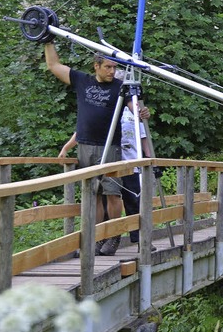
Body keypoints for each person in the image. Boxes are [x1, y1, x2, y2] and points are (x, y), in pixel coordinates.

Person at [45, 42, 149, 256]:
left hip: (109, 146)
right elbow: (53, 65)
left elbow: (134, 107)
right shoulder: (82, 81)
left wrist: (141, 111)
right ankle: (97, 237)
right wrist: (48, 40)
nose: (112, 71)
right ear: (96, 66)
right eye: (108, 67)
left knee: (112, 193)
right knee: (93, 194)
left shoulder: (120, 86)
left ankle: (113, 236)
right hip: (85, 146)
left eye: (114, 68)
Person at [59, 106, 153, 248]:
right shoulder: (104, 108)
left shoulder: (133, 109)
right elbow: (85, 131)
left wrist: (149, 157)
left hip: (131, 162)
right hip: (109, 161)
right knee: (106, 200)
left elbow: (143, 135)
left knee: (133, 203)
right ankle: (105, 239)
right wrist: (66, 147)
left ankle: (142, 241)